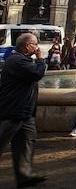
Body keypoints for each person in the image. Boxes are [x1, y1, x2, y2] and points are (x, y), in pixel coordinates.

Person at [0, 33, 48, 188]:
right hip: (13, 111)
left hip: (24, 113)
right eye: (35, 44)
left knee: (26, 143)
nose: (37, 47)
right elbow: (37, 73)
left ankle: (24, 175)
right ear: (27, 46)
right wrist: (40, 59)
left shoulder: (21, 60)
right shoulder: (17, 61)